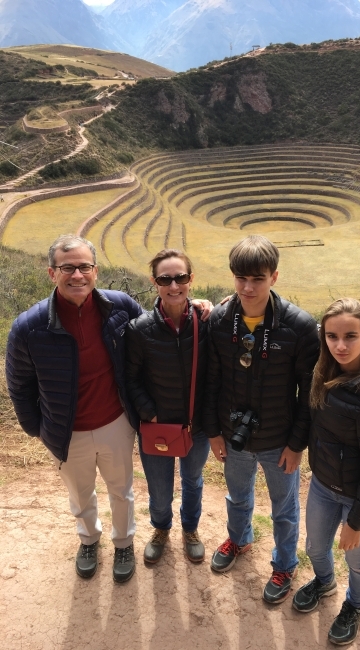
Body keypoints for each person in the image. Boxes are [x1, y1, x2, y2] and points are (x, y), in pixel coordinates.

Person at [5, 235, 211, 584]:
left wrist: (198, 305)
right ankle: (88, 540)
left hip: (116, 421)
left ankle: (124, 542)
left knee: (121, 489)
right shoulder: (28, 326)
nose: (77, 275)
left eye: (84, 266)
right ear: (51, 273)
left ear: (95, 271)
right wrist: (37, 429)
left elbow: (157, 330)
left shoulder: (119, 306)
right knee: (81, 492)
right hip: (65, 429)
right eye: (67, 268)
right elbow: (19, 385)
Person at [204, 235, 320, 604]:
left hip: (278, 440)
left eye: (258, 278)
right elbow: (211, 381)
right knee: (237, 498)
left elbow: (309, 394)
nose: (248, 287)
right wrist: (213, 432)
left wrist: (296, 444)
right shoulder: (221, 320)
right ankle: (239, 540)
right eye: (241, 278)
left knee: (284, 509)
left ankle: (284, 563)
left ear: (275, 277)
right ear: (233, 277)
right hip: (233, 436)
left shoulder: (299, 326)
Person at [292, 298, 360, 646]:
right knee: (315, 548)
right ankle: (324, 583)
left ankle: (355, 605)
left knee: (357, 559)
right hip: (324, 485)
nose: (340, 345)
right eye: (332, 336)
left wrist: (356, 521)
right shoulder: (322, 371)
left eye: (350, 336)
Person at [125, 249, 210, 565]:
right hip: (156, 425)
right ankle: (161, 529)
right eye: (165, 279)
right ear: (154, 282)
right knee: (159, 489)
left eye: (181, 277)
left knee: (193, 482)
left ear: (191, 280)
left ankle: (190, 530)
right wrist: (150, 413)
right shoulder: (139, 329)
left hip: (195, 425)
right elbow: (130, 379)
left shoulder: (205, 322)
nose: (174, 285)